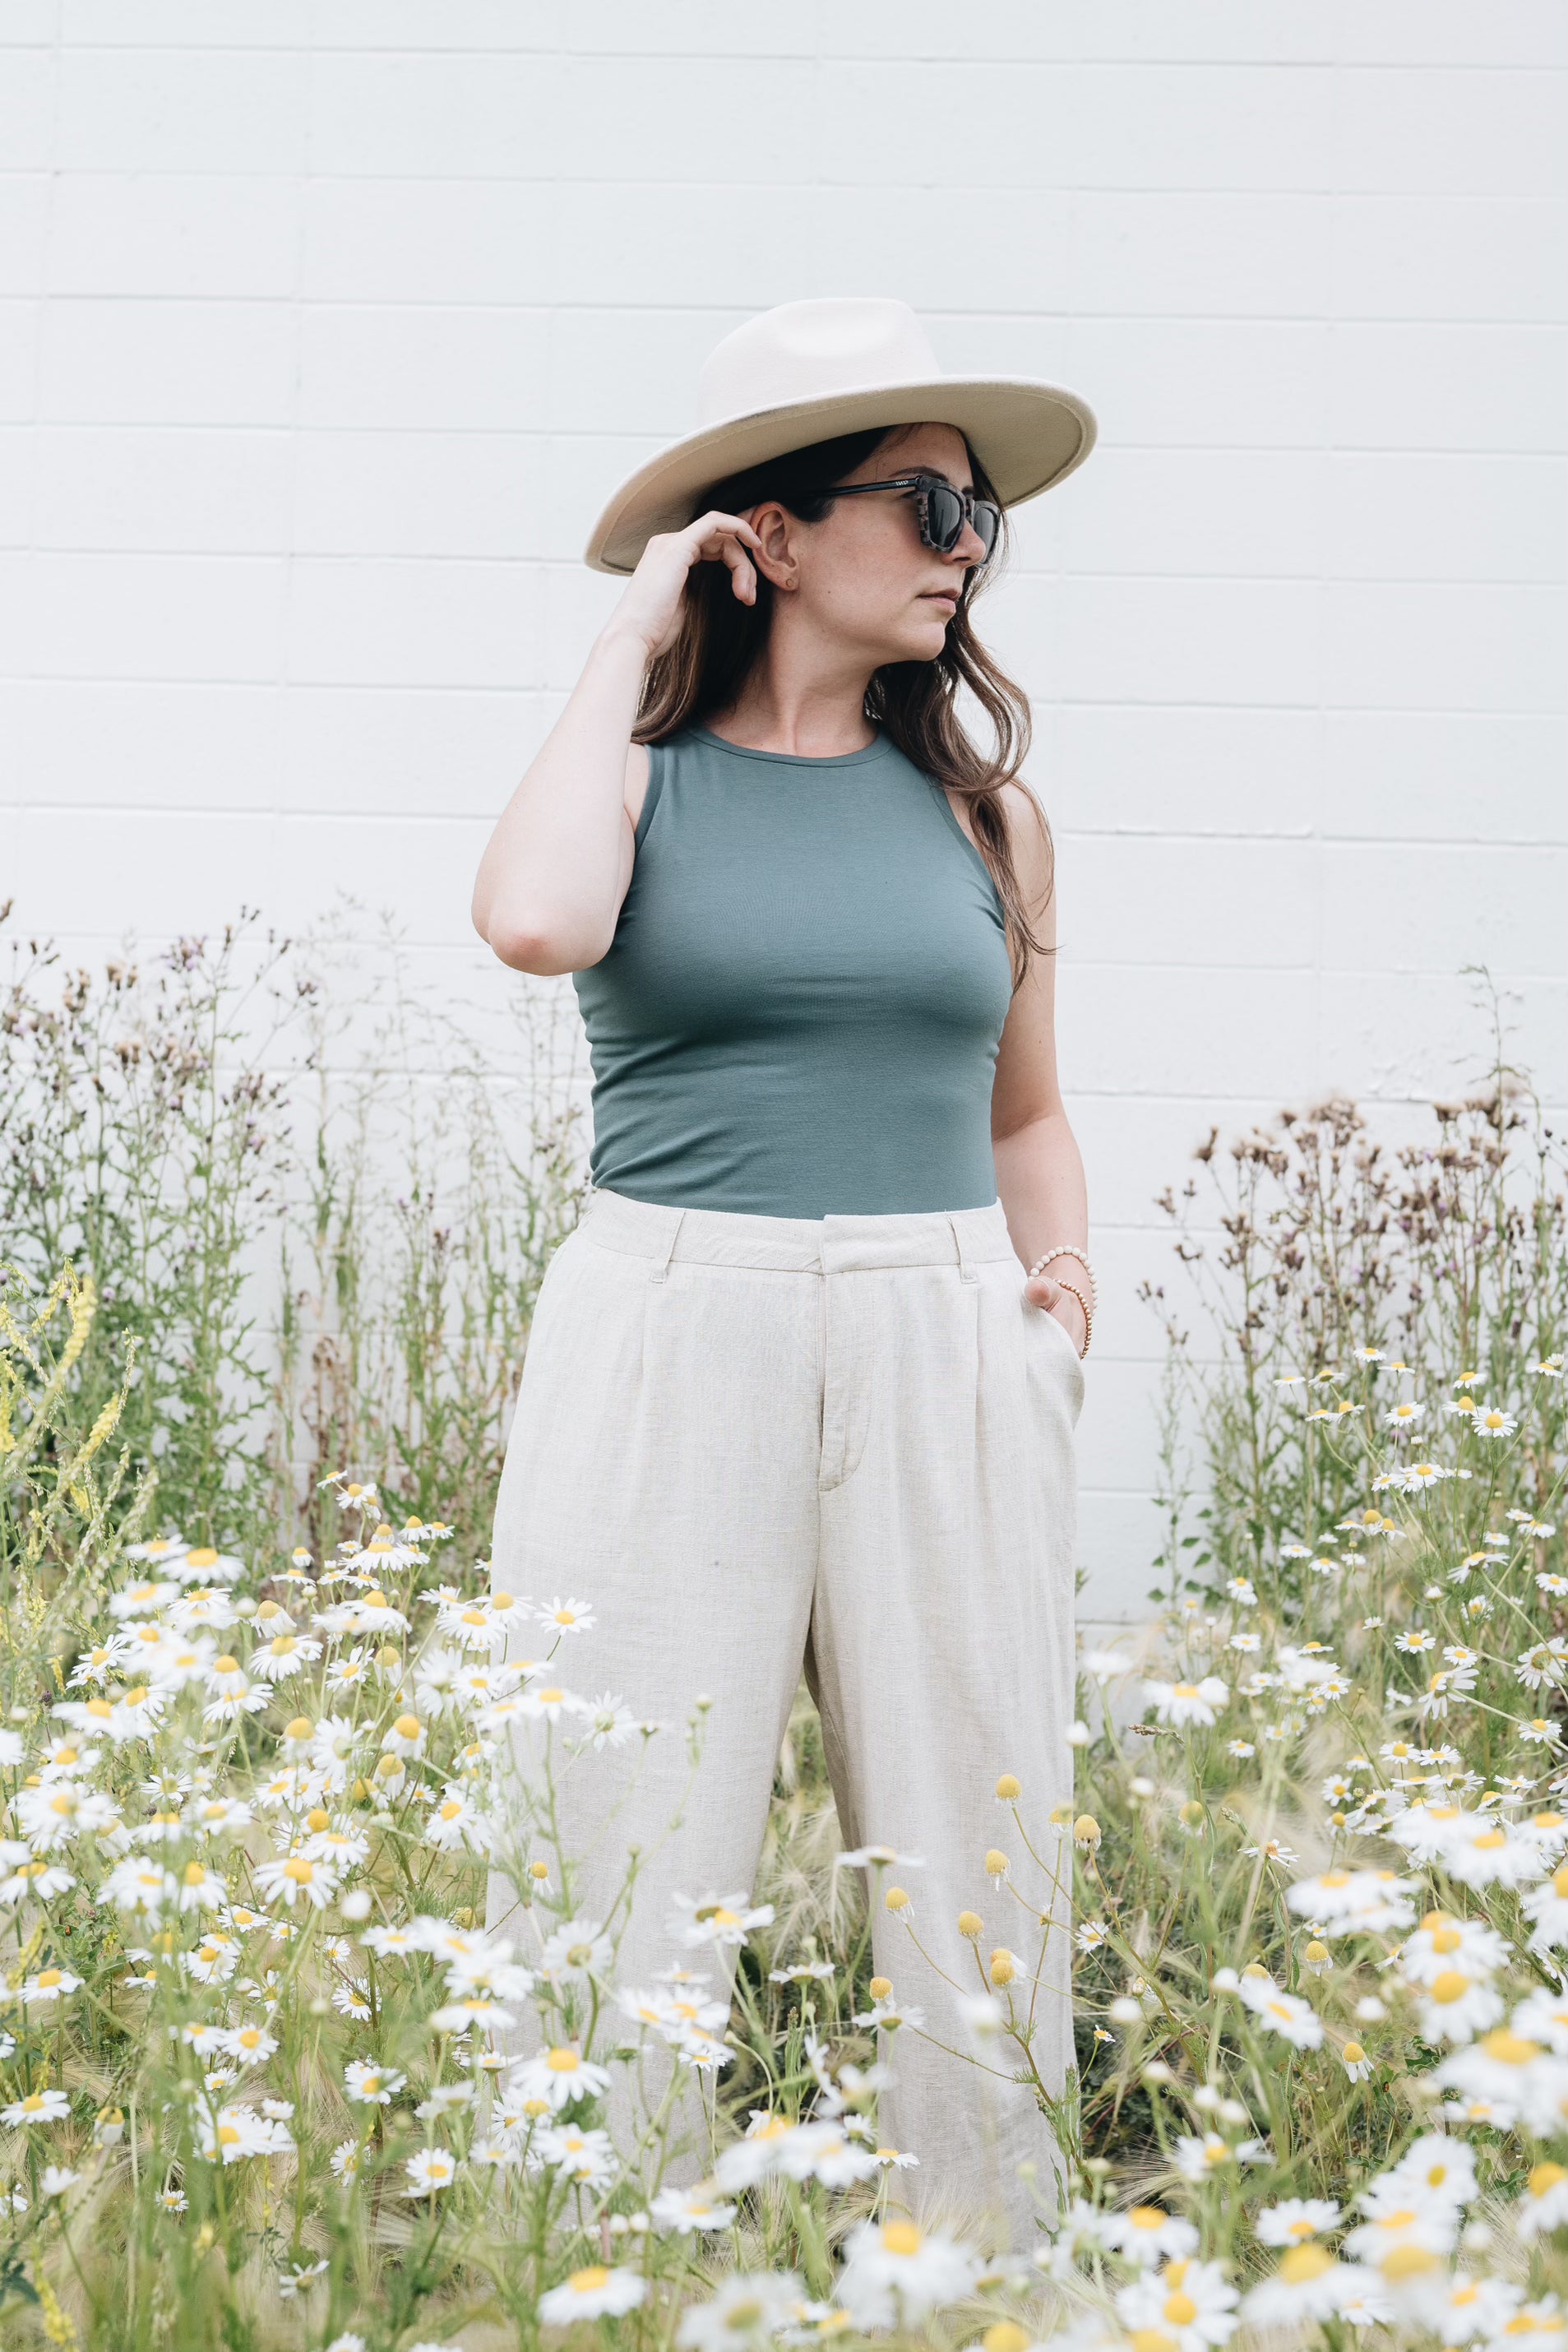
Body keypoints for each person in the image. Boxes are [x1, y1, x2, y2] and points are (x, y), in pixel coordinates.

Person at [471, 297, 1099, 2246]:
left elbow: (1024, 1112)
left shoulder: (986, 815)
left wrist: (1060, 1289)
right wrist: (623, 643)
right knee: (616, 1837)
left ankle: (983, 2274)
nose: (964, 543)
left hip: (942, 1333)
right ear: (774, 533)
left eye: (980, 511)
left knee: (975, 1853)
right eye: (922, 501)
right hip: (674, 1325)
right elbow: (534, 916)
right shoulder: (644, 783)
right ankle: (579, 2271)